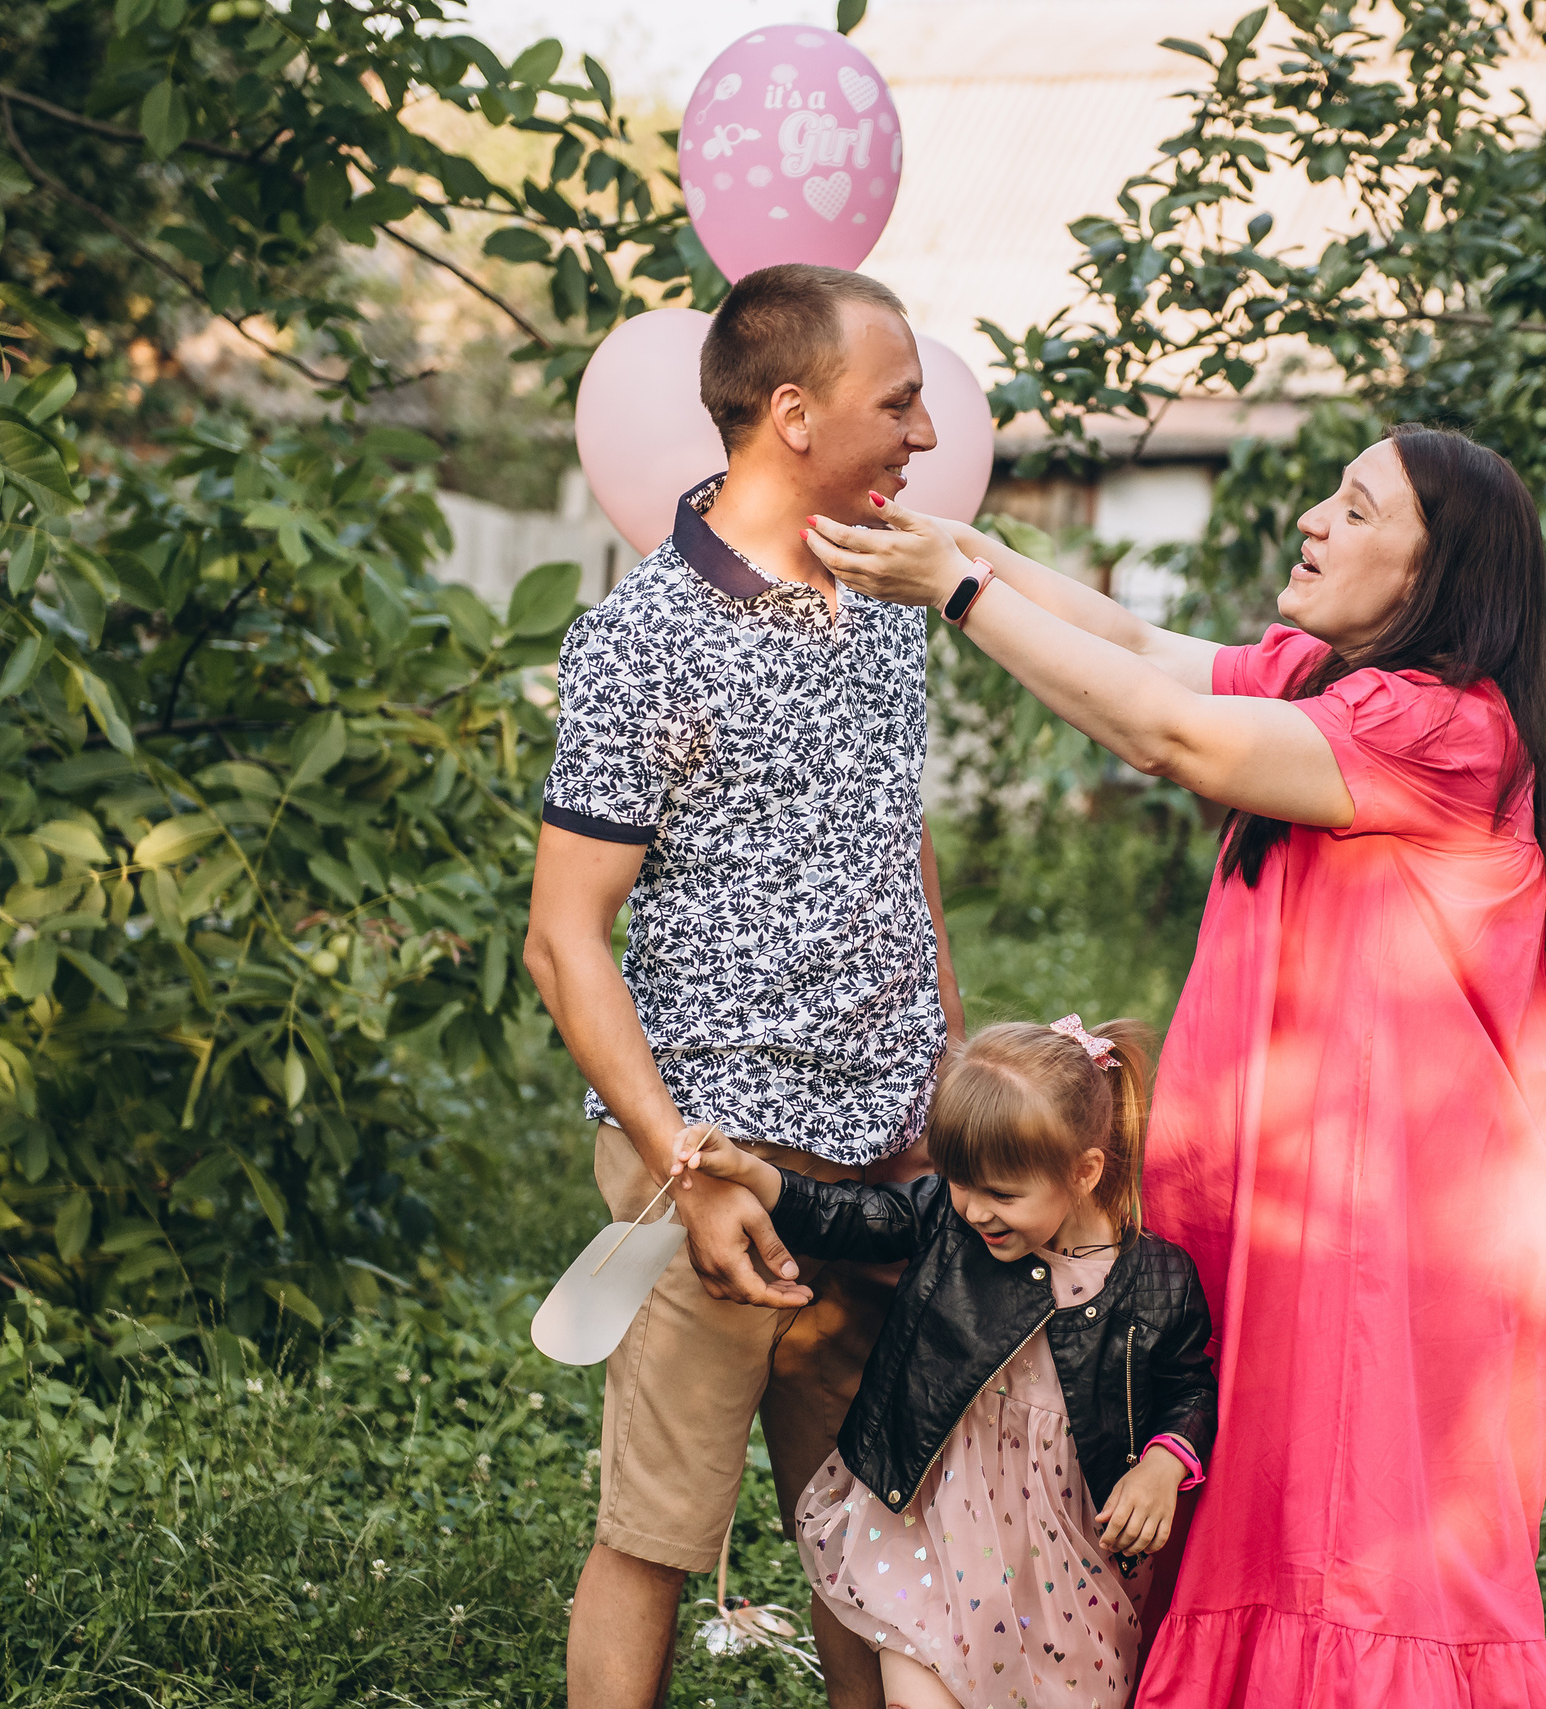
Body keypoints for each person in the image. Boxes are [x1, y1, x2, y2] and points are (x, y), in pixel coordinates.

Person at [799, 424, 1546, 1706]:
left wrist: (958, 591)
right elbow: (1140, 650)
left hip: (1388, 1234)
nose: (1311, 522)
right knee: (1246, 1503)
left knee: (1345, 1541)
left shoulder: (1442, 730)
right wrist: (972, 552)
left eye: (1355, 508)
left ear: (1432, 577)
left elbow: (1175, 735)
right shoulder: (1325, 682)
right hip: (1291, 1200)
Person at [522, 263, 967, 1709]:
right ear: (792, 412)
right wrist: (684, 1165)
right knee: (653, 1536)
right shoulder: (644, 638)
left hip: (890, 1159)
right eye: (896, 402)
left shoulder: (890, 593)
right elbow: (563, 939)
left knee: (876, 1531)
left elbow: (902, 843)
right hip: (717, 1163)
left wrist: (945, 1079)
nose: (922, 431)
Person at [668, 1017, 1218, 1709]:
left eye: (1002, 1194)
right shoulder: (946, 1220)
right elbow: (848, 1214)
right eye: (959, 1182)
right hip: (931, 1511)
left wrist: (1164, 1464)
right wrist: (750, 1170)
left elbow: (1188, 1385)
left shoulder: (1157, 1279)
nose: (974, 1209)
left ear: (1084, 1172)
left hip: (1065, 1557)